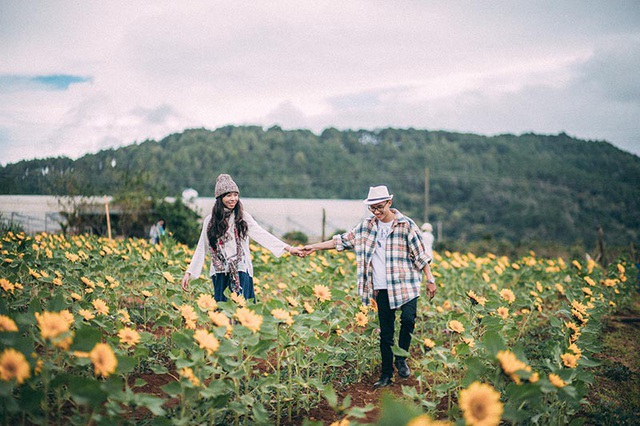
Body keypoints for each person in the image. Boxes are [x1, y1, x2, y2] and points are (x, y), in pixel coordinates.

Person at [302, 185, 436, 389]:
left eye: (379, 207)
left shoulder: (406, 225)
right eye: (372, 208)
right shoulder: (366, 226)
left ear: (389, 203)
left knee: (408, 320)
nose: (376, 212)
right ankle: (386, 375)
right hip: (381, 287)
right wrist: (314, 247)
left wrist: (430, 278)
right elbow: (342, 241)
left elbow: (420, 254)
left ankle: (401, 358)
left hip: (406, 284)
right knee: (386, 333)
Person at [181, 174, 304, 301]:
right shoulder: (210, 221)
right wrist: (189, 273)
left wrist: (288, 248)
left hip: (241, 269)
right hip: (220, 272)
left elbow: (262, 235)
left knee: (241, 308)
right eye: (228, 195)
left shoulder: (242, 217)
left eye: (235, 195)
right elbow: (202, 247)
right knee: (222, 311)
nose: (233, 199)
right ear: (220, 198)